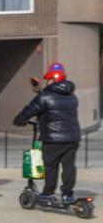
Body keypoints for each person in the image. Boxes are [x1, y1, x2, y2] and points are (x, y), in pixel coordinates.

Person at [13, 64, 81, 204]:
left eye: (48, 80)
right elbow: (53, 98)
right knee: (69, 166)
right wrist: (39, 90)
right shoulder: (72, 96)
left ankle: (48, 193)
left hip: (53, 139)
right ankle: (67, 195)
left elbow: (29, 110)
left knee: (51, 166)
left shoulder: (44, 96)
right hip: (73, 138)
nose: (46, 82)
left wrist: (19, 120)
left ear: (53, 79)